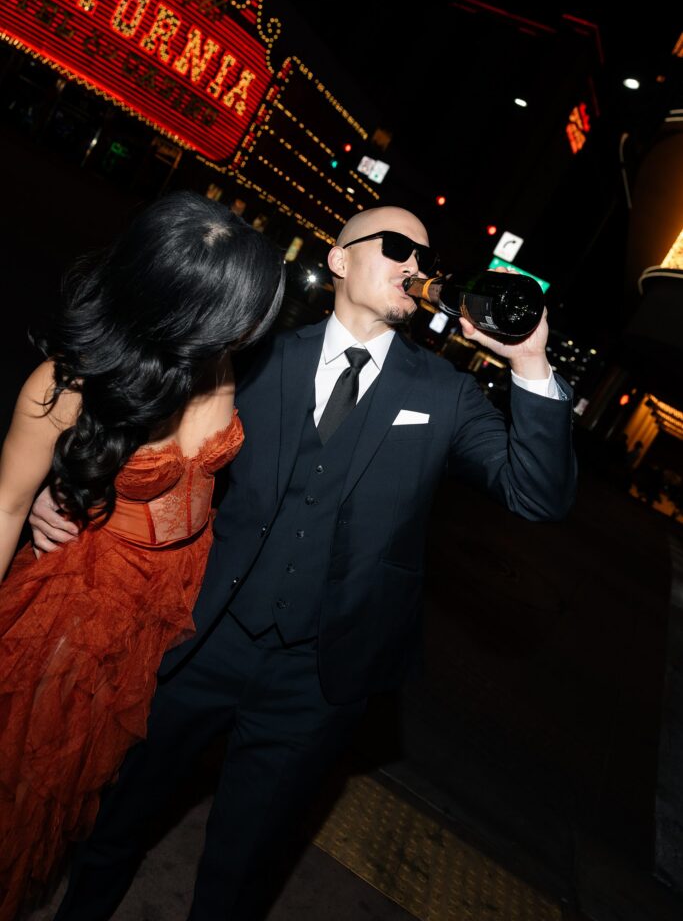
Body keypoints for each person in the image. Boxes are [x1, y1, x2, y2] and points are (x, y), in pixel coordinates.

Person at [31, 204, 577, 921]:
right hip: (203, 638)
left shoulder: (444, 393)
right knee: (120, 817)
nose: (415, 265)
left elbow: (536, 495)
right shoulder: (255, 356)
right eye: (396, 247)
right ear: (341, 260)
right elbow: (147, 423)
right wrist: (66, 493)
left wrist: (530, 361)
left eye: (425, 257)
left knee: (238, 868)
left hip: (319, 676)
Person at [0, 191, 285, 921]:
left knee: (99, 774)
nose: (249, 330)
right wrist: (53, 493)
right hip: (88, 596)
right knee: (32, 775)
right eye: (237, 313)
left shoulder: (219, 357)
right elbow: (5, 505)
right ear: (178, 305)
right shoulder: (65, 384)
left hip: (175, 595)